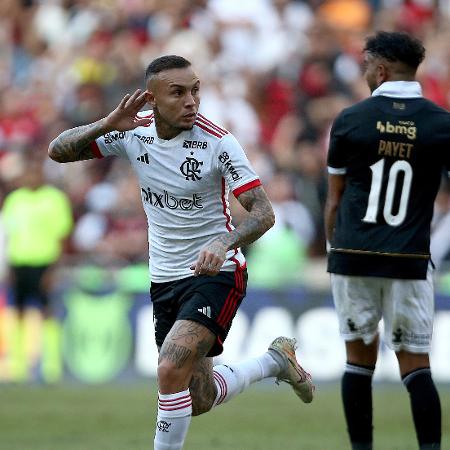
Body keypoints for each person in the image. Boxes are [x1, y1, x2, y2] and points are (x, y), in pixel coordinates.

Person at [48, 55, 314, 449]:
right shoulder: (132, 134)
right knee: (197, 399)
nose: (191, 100)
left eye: (195, 90)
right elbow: (58, 151)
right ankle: (275, 362)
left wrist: (223, 242)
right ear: (152, 100)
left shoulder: (218, 142)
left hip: (216, 273)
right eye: (178, 92)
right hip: (165, 277)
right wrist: (106, 124)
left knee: (170, 368)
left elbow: (263, 212)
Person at [325, 31, 449, 450]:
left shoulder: (350, 120)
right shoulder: (440, 124)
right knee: (416, 368)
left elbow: (335, 199)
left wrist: (332, 250)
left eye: (365, 67)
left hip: (353, 255)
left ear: (379, 70)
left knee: (358, 363)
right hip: (409, 258)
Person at [1, 157, 73, 382]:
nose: (31, 178)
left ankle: (51, 366)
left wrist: (54, 270)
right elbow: (9, 236)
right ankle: (19, 365)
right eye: (27, 174)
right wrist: (9, 267)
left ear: (42, 175)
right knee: (18, 313)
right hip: (19, 263)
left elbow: (62, 237)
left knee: (47, 313)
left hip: (44, 263)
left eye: (35, 173)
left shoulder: (54, 199)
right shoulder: (15, 200)